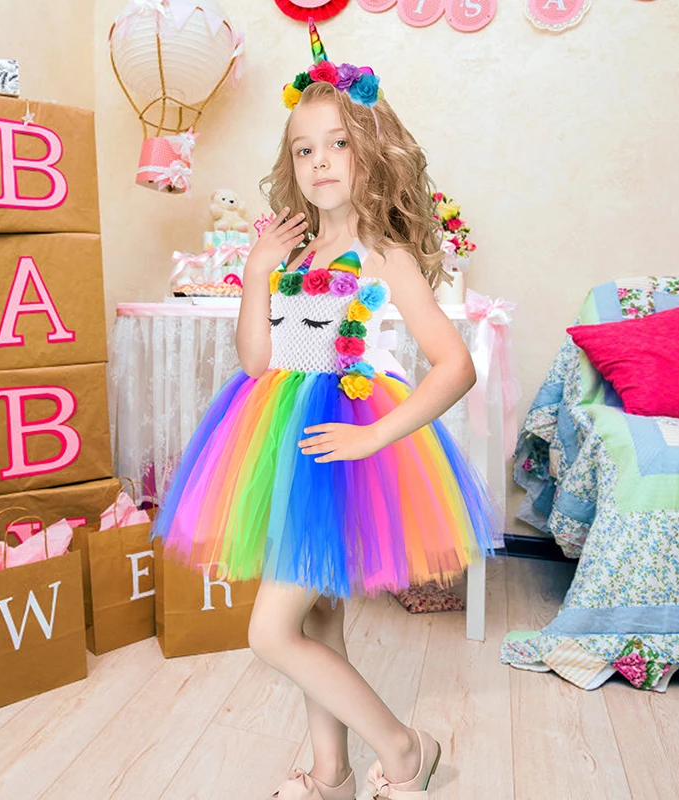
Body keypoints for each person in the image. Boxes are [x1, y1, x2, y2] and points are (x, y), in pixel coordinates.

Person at [152, 19, 501, 800]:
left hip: (342, 449)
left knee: (269, 631)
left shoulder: (386, 255)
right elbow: (257, 362)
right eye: (304, 149)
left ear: (372, 151)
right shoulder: (296, 253)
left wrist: (375, 437)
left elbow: (455, 368)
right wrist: (255, 273)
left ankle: (406, 750)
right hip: (281, 441)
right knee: (317, 621)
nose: (319, 161)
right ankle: (332, 775)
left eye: (337, 144)